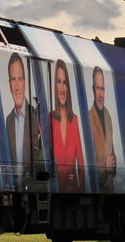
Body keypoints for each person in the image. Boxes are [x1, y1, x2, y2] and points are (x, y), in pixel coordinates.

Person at [4, 53, 39, 189]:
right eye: (13, 79)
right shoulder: (8, 121)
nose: (17, 87)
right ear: (9, 84)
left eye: (20, 79)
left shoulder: (35, 116)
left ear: (25, 82)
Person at [50, 59, 84, 192]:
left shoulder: (74, 120)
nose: (62, 89)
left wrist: (82, 189)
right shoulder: (49, 118)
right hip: (54, 185)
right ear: (54, 85)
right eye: (59, 82)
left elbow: (81, 163)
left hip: (73, 188)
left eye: (65, 83)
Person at [87, 66, 117, 192]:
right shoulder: (88, 118)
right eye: (98, 88)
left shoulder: (107, 116)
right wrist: (105, 167)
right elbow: (87, 162)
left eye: (103, 89)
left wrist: (112, 166)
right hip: (97, 188)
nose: (100, 94)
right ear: (93, 90)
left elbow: (112, 153)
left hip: (110, 189)